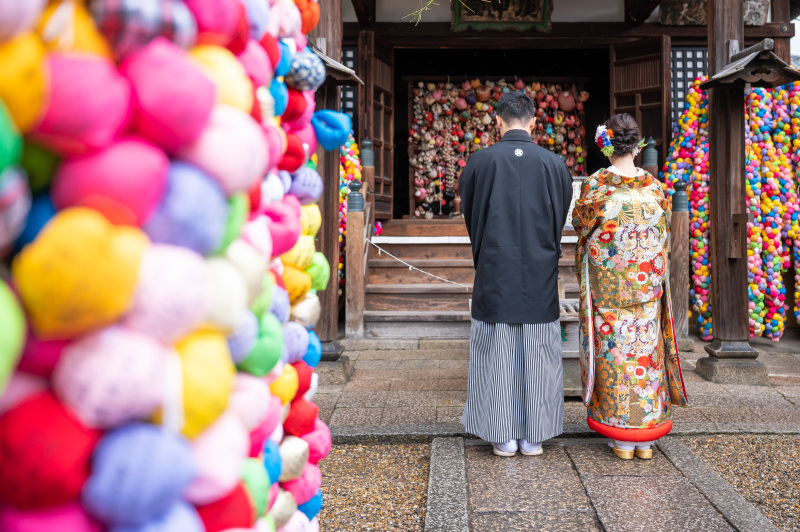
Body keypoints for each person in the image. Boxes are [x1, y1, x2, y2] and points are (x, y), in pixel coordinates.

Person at [459, 91, 574, 457]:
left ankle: (501, 435)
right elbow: (559, 218)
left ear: (498, 121)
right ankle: (534, 436)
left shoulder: (479, 162)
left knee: (497, 349)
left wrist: (487, 250)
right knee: (538, 349)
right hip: (539, 270)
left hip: (495, 267)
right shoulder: (555, 164)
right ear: (533, 123)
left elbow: (472, 215)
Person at [572, 113, 688, 460]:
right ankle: (646, 437)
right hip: (647, 288)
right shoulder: (656, 188)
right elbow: (664, 235)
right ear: (637, 145)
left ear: (606, 145)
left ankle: (621, 434)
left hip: (609, 289)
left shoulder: (596, 186)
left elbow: (581, 227)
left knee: (616, 357)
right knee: (645, 355)